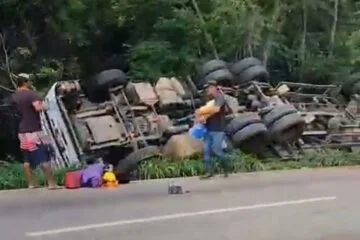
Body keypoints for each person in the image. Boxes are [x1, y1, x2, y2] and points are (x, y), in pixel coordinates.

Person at [11, 76, 60, 189]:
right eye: (29, 81)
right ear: (25, 82)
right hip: (34, 130)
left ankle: (31, 184)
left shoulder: (14, 96)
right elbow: (38, 108)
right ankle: (52, 183)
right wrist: (46, 106)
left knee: (27, 158)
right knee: (44, 155)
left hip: (22, 132)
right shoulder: (30, 94)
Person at [196, 80, 231, 179]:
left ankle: (226, 168)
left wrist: (203, 113)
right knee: (206, 151)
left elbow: (216, 109)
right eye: (207, 88)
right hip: (208, 128)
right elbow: (205, 112)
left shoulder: (220, 98)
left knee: (216, 151)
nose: (207, 90)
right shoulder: (208, 100)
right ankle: (209, 172)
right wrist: (202, 118)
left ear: (215, 88)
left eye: (209, 88)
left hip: (218, 129)